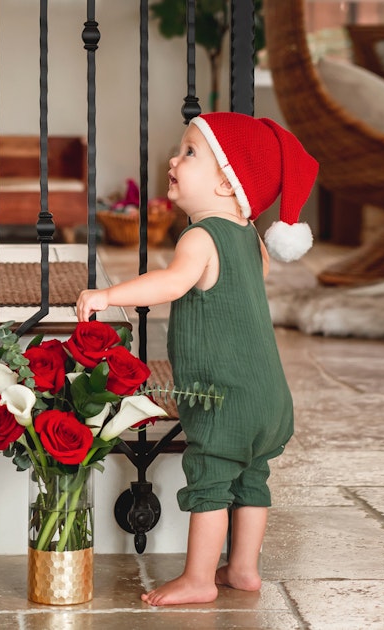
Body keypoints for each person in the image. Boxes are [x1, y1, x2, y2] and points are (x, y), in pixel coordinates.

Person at [76, 112, 318, 606]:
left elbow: (172, 283)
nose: (174, 158)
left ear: (229, 183)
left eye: (190, 152)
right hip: (270, 396)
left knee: (210, 478)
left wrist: (108, 293)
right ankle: (245, 570)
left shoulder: (200, 236)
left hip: (223, 394)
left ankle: (199, 578)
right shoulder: (250, 240)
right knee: (253, 477)